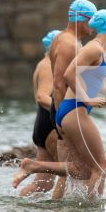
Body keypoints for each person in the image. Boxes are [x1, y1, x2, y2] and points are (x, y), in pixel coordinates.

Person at [14, 9, 106, 198]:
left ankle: (34, 166)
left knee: (82, 170)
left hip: (75, 111)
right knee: (102, 166)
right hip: (73, 110)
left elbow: (101, 86)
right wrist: (86, 98)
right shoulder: (93, 47)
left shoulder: (105, 50)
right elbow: (69, 74)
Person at [17, 30, 64, 197]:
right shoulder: (47, 65)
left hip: (43, 125)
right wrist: (67, 110)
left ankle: (19, 208)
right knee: (68, 172)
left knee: (42, 185)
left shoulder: (44, 63)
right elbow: (42, 97)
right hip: (50, 126)